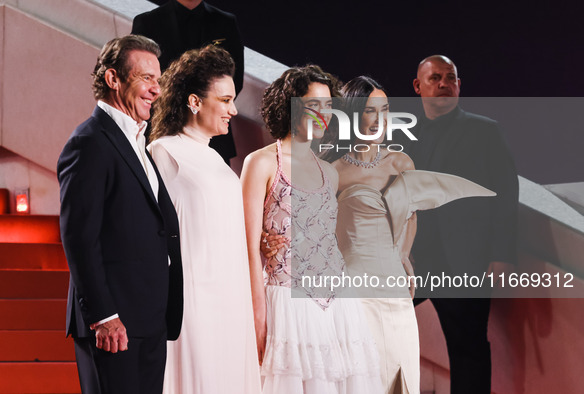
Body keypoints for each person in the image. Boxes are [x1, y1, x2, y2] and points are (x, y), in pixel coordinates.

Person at [325, 76, 497, 394]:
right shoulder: (333, 171)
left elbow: (411, 212)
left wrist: (403, 254)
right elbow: (324, 233)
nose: (380, 120)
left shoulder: (401, 161)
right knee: (363, 377)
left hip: (395, 286)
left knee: (399, 371)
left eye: (385, 110)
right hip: (354, 288)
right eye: (370, 111)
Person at [241, 65, 383, 393]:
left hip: (340, 306)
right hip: (287, 304)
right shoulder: (261, 163)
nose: (323, 114)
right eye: (313, 105)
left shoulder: (329, 173)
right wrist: (258, 316)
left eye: (328, 106)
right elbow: (246, 249)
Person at [57, 35, 183, 394]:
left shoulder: (137, 141)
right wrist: (104, 316)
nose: (156, 90)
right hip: (113, 326)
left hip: (147, 319)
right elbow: (79, 237)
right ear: (113, 79)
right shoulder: (90, 141)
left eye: (158, 81)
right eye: (146, 79)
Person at [148, 45, 260, 394]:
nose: (234, 109)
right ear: (194, 102)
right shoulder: (163, 152)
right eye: (225, 100)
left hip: (232, 299)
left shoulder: (214, 158)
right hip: (194, 305)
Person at [405, 55, 519, 393]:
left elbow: (505, 195)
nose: (443, 84)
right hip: (412, 260)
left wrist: (502, 254)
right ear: (418, 86)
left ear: (459, 85)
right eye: (435, 78)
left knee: (468, 348)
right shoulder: (405, 134)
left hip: (463, 262)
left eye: (450, 77)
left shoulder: (485, 130)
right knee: (372, 325)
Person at [132, 0, 244, 165]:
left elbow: (235, 79)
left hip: (213, 136)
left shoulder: (226, 22)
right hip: (161, 129)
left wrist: (204, 109)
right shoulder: (147, 22)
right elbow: (140, 78)